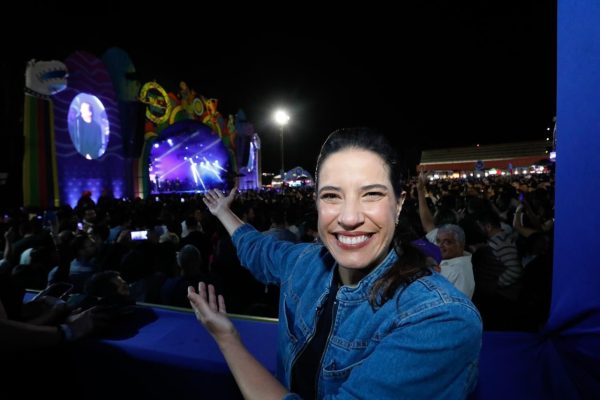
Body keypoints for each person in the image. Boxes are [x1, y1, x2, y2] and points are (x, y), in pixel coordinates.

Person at [188, 127, 482, 399]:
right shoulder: (303, 262)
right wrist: (223, 213)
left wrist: (228, 340)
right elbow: (257, 249)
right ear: (316, 203)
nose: (349, 217)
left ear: (399, 203)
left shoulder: (440, 318)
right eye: (331, 196)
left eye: (371, 194)